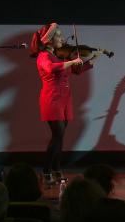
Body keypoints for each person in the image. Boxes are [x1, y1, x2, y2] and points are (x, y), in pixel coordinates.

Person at [30, 22, 98, 184]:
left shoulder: (58, 55)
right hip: (52, 99)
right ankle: (47, 171)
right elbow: (52, 68)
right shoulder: (44, 56)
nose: (62, 38)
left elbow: (73, 71)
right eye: (59, 36)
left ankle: (56, 169)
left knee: (60, 138)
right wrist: (72, 62)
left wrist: (91, 61)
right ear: (50, 40)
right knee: (57, 136)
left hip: (64, 99)